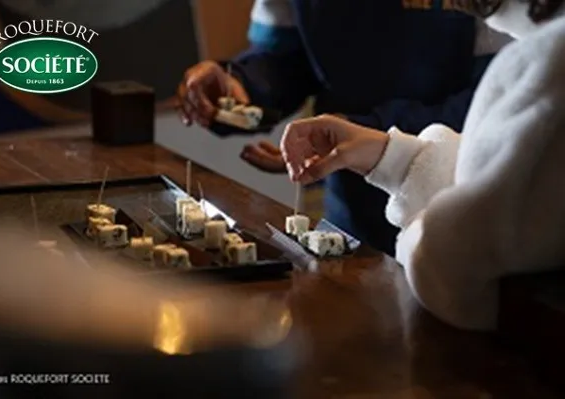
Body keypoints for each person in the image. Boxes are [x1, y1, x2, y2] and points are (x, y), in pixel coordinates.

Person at [279, 0, 565, 330]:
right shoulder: (539, 49)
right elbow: (505, 181)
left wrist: (418, 237)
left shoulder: (547, 62)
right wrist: (395, 157)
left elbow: (455, 268)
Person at [176, 0, 510, 255]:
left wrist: (364, 133)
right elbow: (285, 56)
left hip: (463, 207)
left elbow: (499, 98)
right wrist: (241, 86)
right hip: (351, 210)